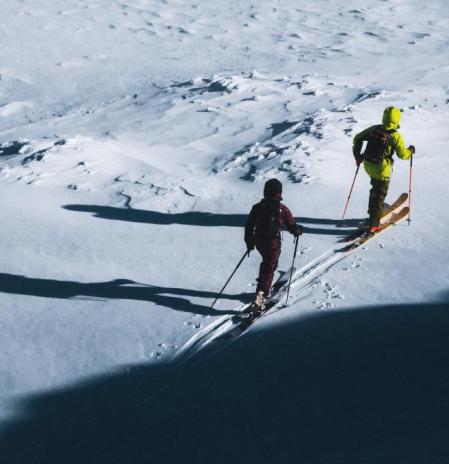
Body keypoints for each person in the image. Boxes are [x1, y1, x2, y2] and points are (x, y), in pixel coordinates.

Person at [352, 106, 415, 233]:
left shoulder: (374, 129)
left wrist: (357, 157)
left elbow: (357, 138)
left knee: (375, 189)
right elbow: (403, 155)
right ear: (397, 120)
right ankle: (374, 224)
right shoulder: (395, 135)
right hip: (382, 169)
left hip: (368, 165)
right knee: (379, 196)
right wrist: (411, 151)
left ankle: (373, 213)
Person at [244, 179, 303, 312]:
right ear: (279, 193)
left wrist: (249, 242)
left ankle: (264, 286)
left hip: (259, 241)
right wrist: (298, 231)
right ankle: (260, 300)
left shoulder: (257, 207)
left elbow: (249, 226)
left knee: (269, 265)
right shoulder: (282, 209)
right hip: (273, 244)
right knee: (268, 269)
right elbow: (291, 225)